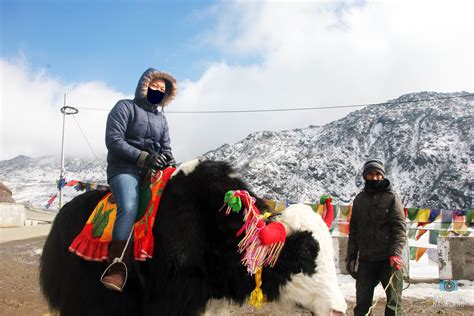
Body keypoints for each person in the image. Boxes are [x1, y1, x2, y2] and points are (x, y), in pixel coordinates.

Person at [101, 68, 178, 291]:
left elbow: (166, 147)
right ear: (144, 86)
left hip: (151, 171)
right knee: (129, 205)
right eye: (155, 86)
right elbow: (113, 139)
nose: (158, 91)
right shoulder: (124, 107)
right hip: (124, 168)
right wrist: (144, 157)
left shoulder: (162, 120)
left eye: (162, 90)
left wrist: (169, 161)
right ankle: (117, 267)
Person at [346, 159, 406, 315]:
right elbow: (354, 232)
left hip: (389, 260)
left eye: (377, 174)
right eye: (370, 174)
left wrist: (396, 253)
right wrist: (351, 258)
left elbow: (399, 229)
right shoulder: (359, 200)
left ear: (382, 176)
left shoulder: (392, 198)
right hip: (366, 261)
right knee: (362, 306)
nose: (374, 177)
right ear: (365, 176)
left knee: (394, 305)